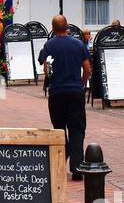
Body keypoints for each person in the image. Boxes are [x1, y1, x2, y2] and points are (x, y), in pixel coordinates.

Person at [38, 15, 91, 179]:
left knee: (59, 129)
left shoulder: (49, 46)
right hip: (75, 92)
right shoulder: (78, 44)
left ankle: (59, 164)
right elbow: (87, 69)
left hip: (57, 92)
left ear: (53, 28)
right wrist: (81, 84)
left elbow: (46, 68)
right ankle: (76, 168)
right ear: (67, 27)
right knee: (77, 129)